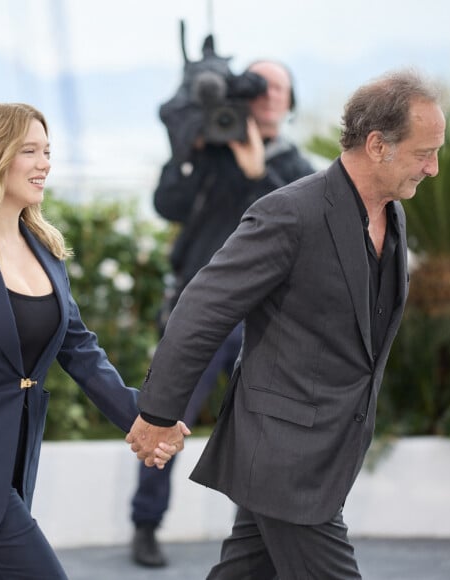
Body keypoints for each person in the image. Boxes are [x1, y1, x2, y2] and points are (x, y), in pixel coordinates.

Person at [126, 69, 446, 579]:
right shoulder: (290, 212)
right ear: (377, 145)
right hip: (284, 455)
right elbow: (203, 309)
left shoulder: (392, 212)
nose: (433, 169)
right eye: (423, 153)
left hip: (324, 449)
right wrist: (159, 412)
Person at [0, 103, 185, 580]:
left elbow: (79, 349)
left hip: (10, 462)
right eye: (29, 151)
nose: (44, 163)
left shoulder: (44, 249)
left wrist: (141, 418)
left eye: (47, 151)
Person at [130, 60, 315, 567]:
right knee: (164, 412)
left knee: (264, 432)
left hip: (268, 320)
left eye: (279, 85)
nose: (270, 94)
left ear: (290, 98)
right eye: (259, 86)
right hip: (202, 312)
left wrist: (260, 174)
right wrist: (189, 150)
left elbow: (304, 234)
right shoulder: (212, 154)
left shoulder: (299, 170)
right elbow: (168, 203)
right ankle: (145, 526)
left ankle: (254, 542)